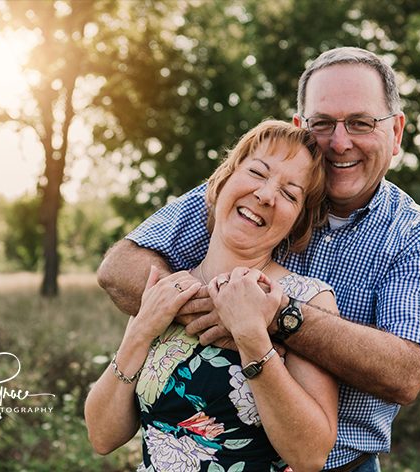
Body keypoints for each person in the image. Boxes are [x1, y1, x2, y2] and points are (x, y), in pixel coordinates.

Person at [97, 47, 420, 472]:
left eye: (361, 123)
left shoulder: (418, 237)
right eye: (322, 123)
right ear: (299, 127)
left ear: (395, 132)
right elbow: (120, 269)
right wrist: (213, 304)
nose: (339, 142)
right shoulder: (250, 189)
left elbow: (405, 373)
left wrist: (270, 318)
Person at [86, 120, 340, 472]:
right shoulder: (168, 287)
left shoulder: (306, 300)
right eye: (257, 172)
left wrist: (253, 339)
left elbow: (311, 456)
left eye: (289, 193)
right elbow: (102, 437)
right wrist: (141, 330)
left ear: (297, 222)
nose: (266, 196)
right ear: (223, 180)